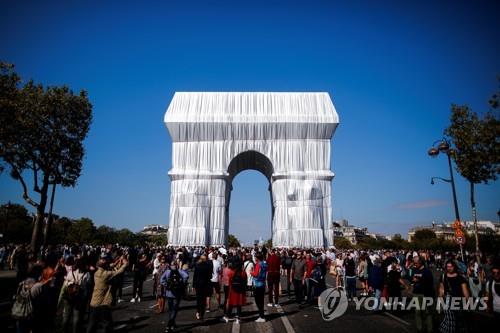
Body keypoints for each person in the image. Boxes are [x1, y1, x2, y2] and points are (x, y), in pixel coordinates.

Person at [86, 254, 128, 333]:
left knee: (91, 324)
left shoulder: (96, 272)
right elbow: (118, 272)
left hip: (93, 302)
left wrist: (118, 260)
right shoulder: (105, 274)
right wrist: (125, 263)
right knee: (108, 324)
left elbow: (109, 265)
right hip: (102, 303)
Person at [438, 260, 470, 333]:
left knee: (459, 321)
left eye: (451, 266)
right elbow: (441, 290)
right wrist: (439, 304)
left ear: (454, 267)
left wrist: (468, 304)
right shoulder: (443, 276)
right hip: (448, 301)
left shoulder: (460, 278)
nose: (449, 268)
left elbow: (465, 292)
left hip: (459, 302)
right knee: (450, 321)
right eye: (447, 267)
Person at [161, 260, 189, 332]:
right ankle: (169, 324)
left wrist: (166, 285)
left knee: (171, 309)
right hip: (177, 293)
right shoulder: (179, 271)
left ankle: (172, 323)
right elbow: (186, 276)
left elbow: (161, 280)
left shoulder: (167, 272)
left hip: (169, 293)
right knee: (175, 309)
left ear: (170, 265)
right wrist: (182, 283)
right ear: (176, 265)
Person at [411, 256, 434, 333]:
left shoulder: (427, 271)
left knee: (427, 313)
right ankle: (419, 328)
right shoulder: (414, 269)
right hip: (416, 294)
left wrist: (419, 280)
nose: (415, 264)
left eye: (416, 263)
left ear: (421, 262)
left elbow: (430, 283)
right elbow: (411, 278)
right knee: (417, 312)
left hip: (425, 294)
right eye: (414, 263)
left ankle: (429, 329)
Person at [193, 255, 212, 321]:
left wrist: (193, 285)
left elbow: (195, 277)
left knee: (198, 299)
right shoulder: (208, 266)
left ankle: (198, 312)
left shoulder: (197, 266)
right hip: (206, 284)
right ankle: (202, 315)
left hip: (198, 285)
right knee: (203, 300)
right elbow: (210, 276)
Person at [251, 253, 267, 322]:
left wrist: (251, 272)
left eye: (255, 257)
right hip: (262, 283)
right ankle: (261, 315)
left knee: (258, 301)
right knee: (261, 301)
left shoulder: (258, 264)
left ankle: (261, 316)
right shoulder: (264, 264)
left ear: (257, 258)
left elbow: (256, 274)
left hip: (257, 284)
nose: (254, 258)